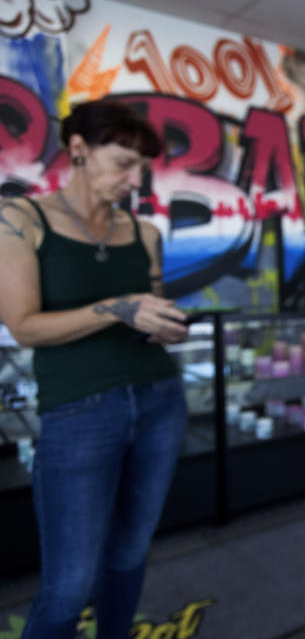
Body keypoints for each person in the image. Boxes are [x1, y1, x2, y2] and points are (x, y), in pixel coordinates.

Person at [0, 99, 190, 638]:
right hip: (78, 413)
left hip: (160, 402)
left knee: (130, 554)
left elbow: (149, 310)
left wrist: (162, 323)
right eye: (122, 164)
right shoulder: (21, 219)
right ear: (78, 149)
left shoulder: (144, 232)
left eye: (141, 169)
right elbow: (23, 326)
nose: (133, 180)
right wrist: (117, 308)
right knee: (69, 582)